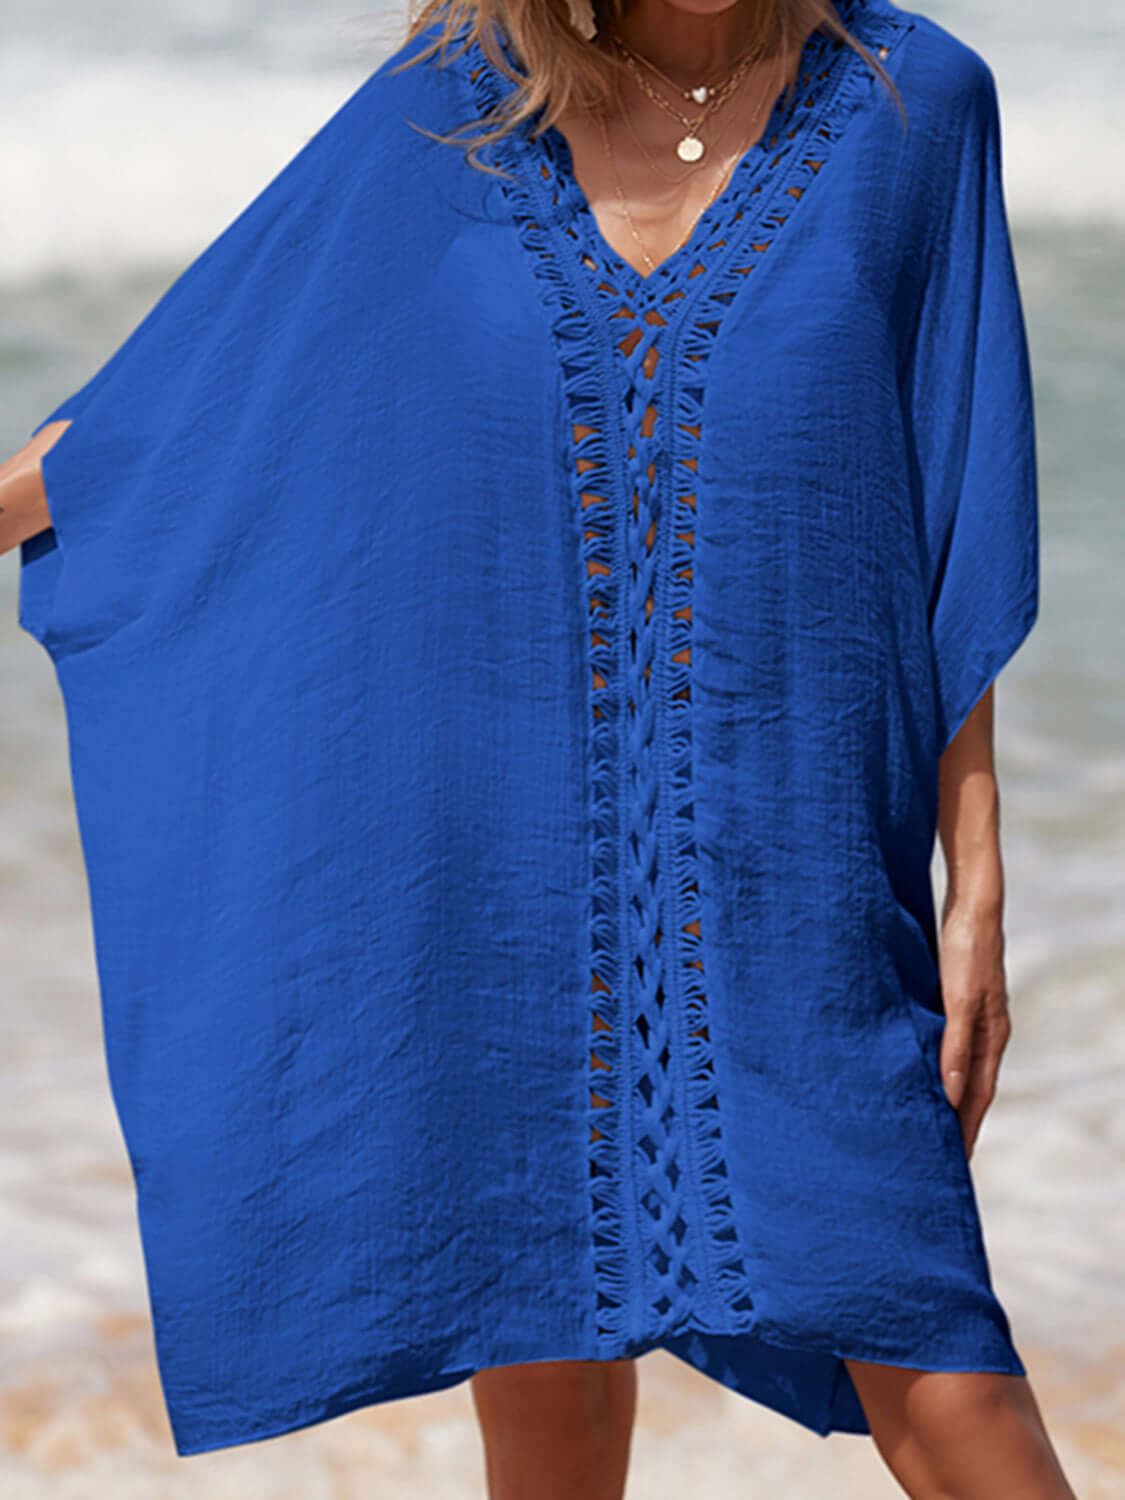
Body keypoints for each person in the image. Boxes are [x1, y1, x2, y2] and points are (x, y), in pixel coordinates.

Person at [0, 0, 1079, 1496]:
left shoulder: (915, 103)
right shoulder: (460, 103)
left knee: (939, 1369)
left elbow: (944, 518)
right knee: (547, 1376)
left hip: (799, 868)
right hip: (497, 871)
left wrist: (975, 885)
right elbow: (198, 395)